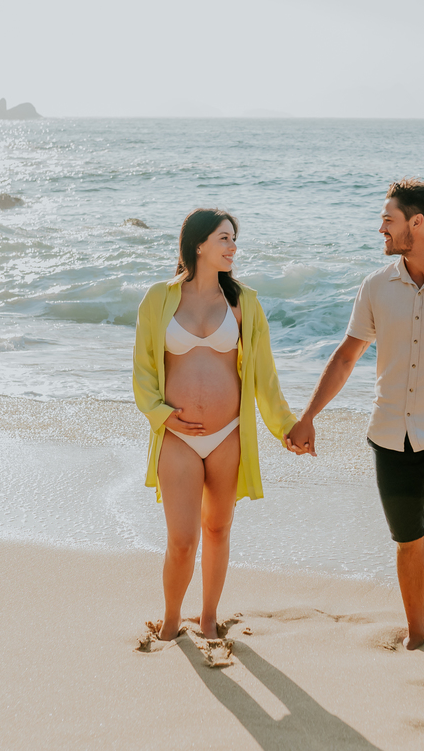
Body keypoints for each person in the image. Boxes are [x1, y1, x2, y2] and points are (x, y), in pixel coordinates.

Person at [286, 178, 424, 689]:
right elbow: (346, 356)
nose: (379, 228)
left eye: (387, 219)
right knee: (409, 543)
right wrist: (309, 415)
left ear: (417, 223)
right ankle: (416, 633)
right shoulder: (375, 286)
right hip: (391, 439)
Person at [133, 207, 300, 642]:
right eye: (224, 239)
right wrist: (161, 414)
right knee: (183, 540)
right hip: (178, 438)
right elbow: (143, 370)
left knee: (218, 529)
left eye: (233, 239)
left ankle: (208, 618)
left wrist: (288, 426)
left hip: (229, 436)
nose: (232, 247)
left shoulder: (244, 302)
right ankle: (171, 619)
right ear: (199, 244)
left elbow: (264, 375)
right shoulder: (158, 299)